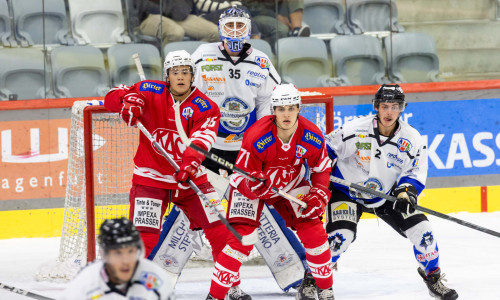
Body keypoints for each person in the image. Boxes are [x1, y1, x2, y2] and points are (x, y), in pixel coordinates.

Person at [103, 49, 234, 289]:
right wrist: (127, 102)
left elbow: (201, 141)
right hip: (150, 179)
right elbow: (110, 96)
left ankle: (228, 288)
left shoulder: (206, 106)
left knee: (221, 231)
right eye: (176, 72)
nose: (181, 76)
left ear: (193, 76)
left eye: (186, 72)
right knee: (144, 238)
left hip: (190, 179)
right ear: (167, 75)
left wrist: (189, 164)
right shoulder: (148, 90)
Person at [324, 84, 459, 300]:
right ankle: (313, 280)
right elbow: (324, 151)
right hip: (347, 192)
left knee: (423, 232)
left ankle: (432, 276)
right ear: (376, 107)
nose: (389, 112)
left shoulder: (411, 138)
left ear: (401, 109)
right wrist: (319, 175)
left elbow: (415, 170)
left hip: (386, 195)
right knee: (339, 237)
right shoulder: (354, 129)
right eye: (385, 106)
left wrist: (406, 192)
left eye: (394, 107)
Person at [206, 84, 335, 300]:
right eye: (281, 109)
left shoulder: (311, 135)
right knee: (240, 239)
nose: (286, 114)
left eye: (291, 108)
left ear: (299, 108)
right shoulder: (256, 136)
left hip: (290, 184)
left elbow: (321, 169)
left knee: (314, 230)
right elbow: (239, 177)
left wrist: (319, 192)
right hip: (252, 190)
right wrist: (253, 186)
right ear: (273, 110)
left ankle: (325, 289)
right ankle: (215, 295)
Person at [192, 5, 281, 176]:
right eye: (229, 25)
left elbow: (266, 102)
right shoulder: (202, 55)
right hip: (207, 144)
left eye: (239, 26)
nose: (234, 31)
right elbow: (189, 96)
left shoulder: (261, 61)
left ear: (248, 29)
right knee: (207, 198)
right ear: (220, 28)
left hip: (245, 146)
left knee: (243, 199)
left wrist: (260, 138)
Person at [59, 217, 174, 300]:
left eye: (130, 252)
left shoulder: (156, 279)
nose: (125, 261)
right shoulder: (84, 283)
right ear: (104, 255)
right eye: (118, 253)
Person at [134, 0, 219, 47]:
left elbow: (183, 10)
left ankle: (194, 60)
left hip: (176, 13)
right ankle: (166, 65)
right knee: (175, 33)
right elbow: (142, 6)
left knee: (215, 32)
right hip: (148, 16)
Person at [242, 0, 310, 47]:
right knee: (281, 29)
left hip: (280, 11)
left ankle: (296, 30)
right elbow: (251, 7)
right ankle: (276, 62)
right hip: (257, 15)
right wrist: (276, 16)